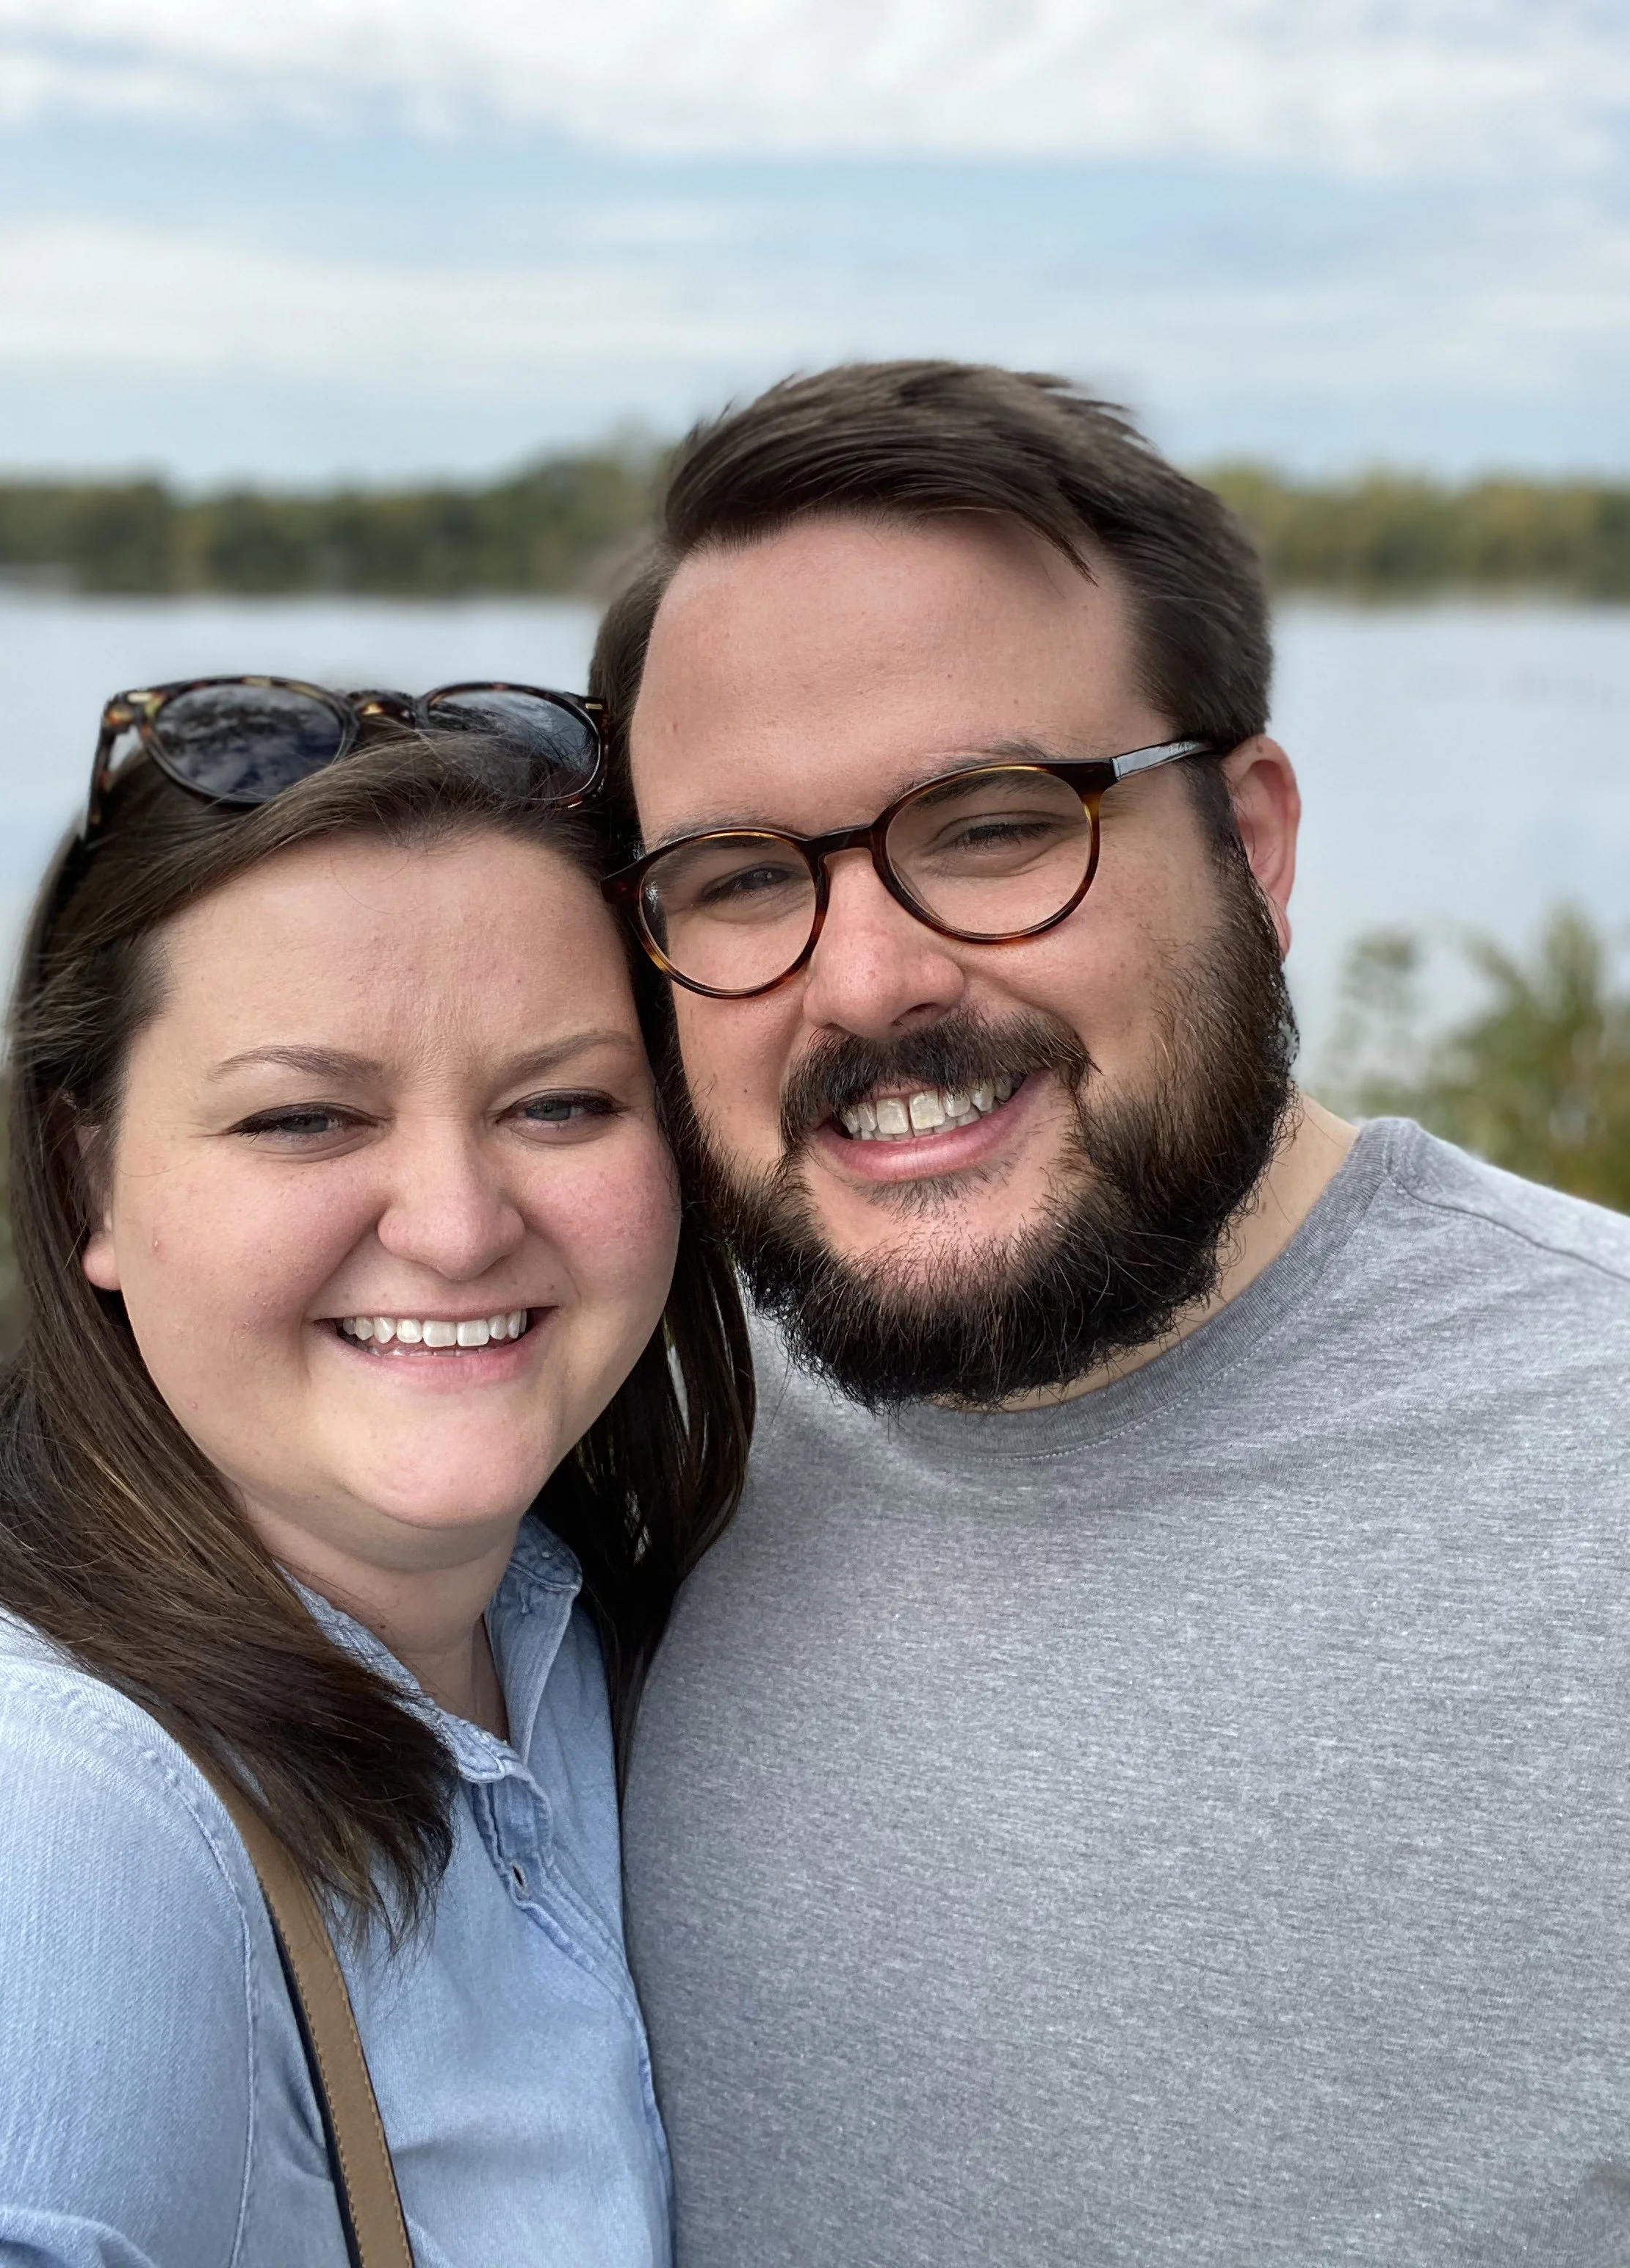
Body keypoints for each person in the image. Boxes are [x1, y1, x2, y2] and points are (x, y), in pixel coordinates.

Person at [591, 362, 1630, 2264]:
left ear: (1254, 843)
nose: (868, 981)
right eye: (739, 881)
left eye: (992, 825)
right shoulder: (605, 1441)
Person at [0, 683, 748, 2265]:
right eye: (305, 1116)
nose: (453, 1222)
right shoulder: (38, 1809)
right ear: (83, 1171)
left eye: (561, 1101)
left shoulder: (599, 1616)